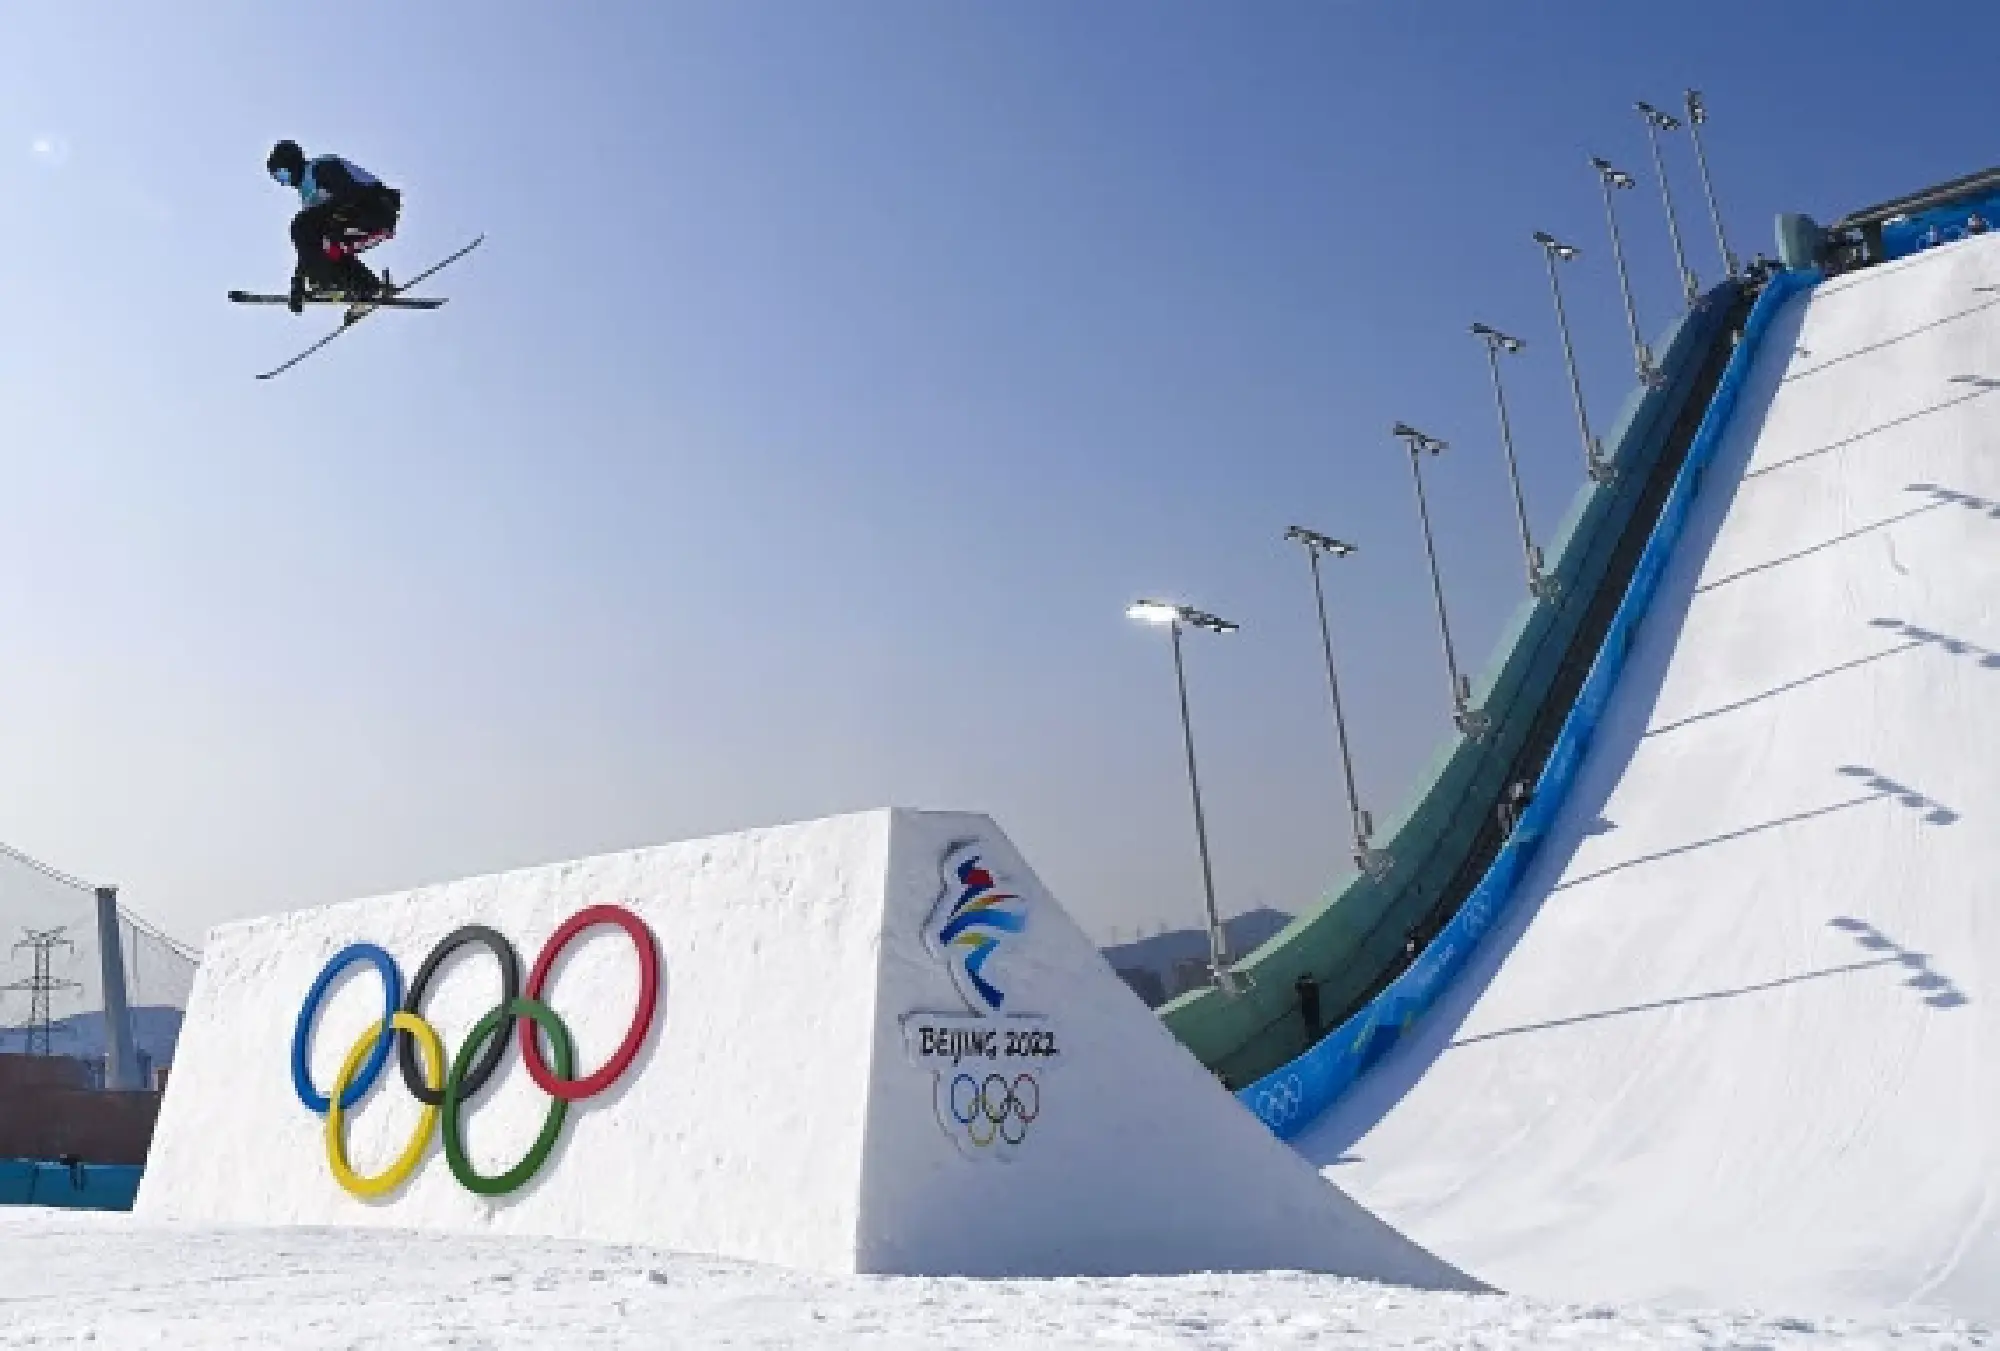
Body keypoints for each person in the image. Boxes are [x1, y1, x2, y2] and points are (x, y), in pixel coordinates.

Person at [266, 140, 403, 312]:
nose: (285, 183)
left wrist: (336, 221)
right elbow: (308, 247)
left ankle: (327, 281)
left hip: (375, 210)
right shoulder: (308, 194)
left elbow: (351, 191)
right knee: (326, 247)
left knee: (306, 229)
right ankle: (366, 287)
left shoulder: (320, 168)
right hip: (356, 220)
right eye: (279, 180)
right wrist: (298, 282)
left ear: (293, 163)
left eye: (283, 175)